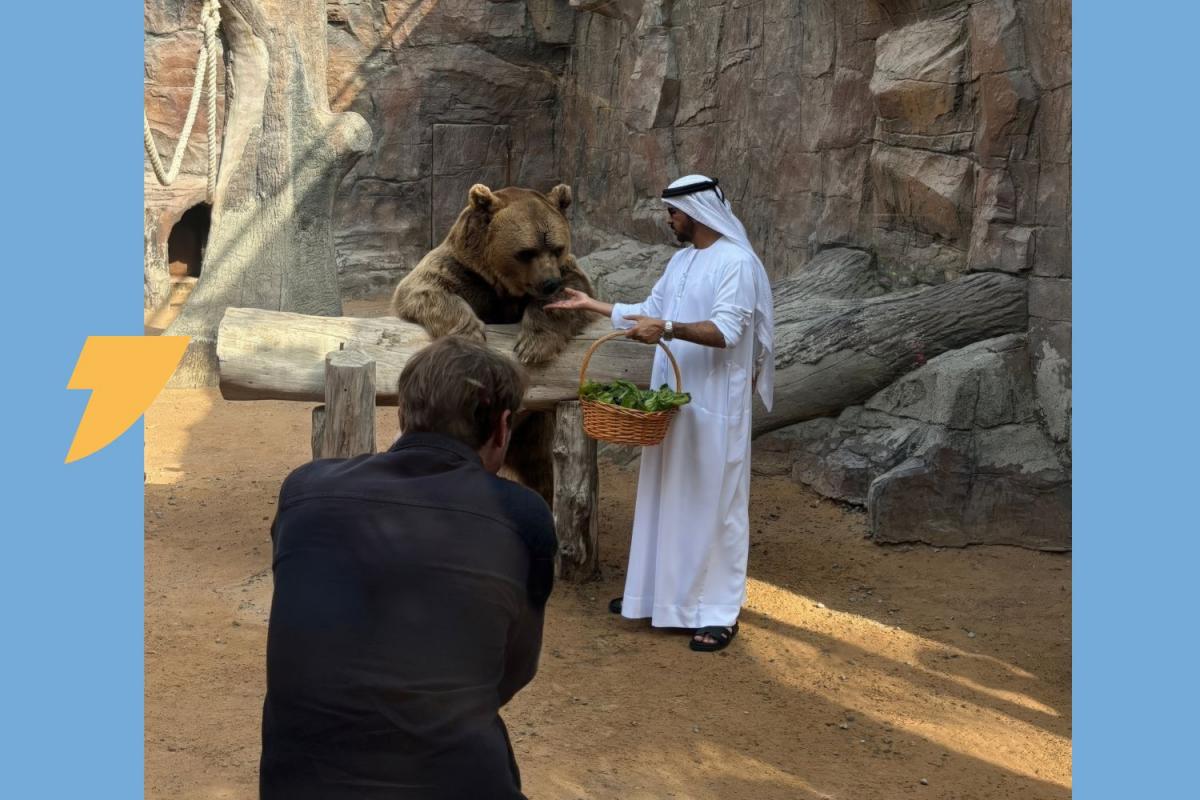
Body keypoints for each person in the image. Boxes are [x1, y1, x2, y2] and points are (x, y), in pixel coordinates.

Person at [259, 337, 557, 799]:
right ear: (502, 427)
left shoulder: (304, 490)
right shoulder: (521, 515)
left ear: (402, 414)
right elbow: (512, 669)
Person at [547, 174, 774, 652]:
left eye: (673, 212)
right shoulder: (682, 261)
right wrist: (590, 304)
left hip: (716, 405)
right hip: (673, 401)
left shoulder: (737, 263)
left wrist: (667, 328)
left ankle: (717, 612)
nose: (669, 220)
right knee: (667, 496)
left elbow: (726, 332)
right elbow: (649, 309)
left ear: (695, 211)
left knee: (714, 506)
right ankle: (656, 598)